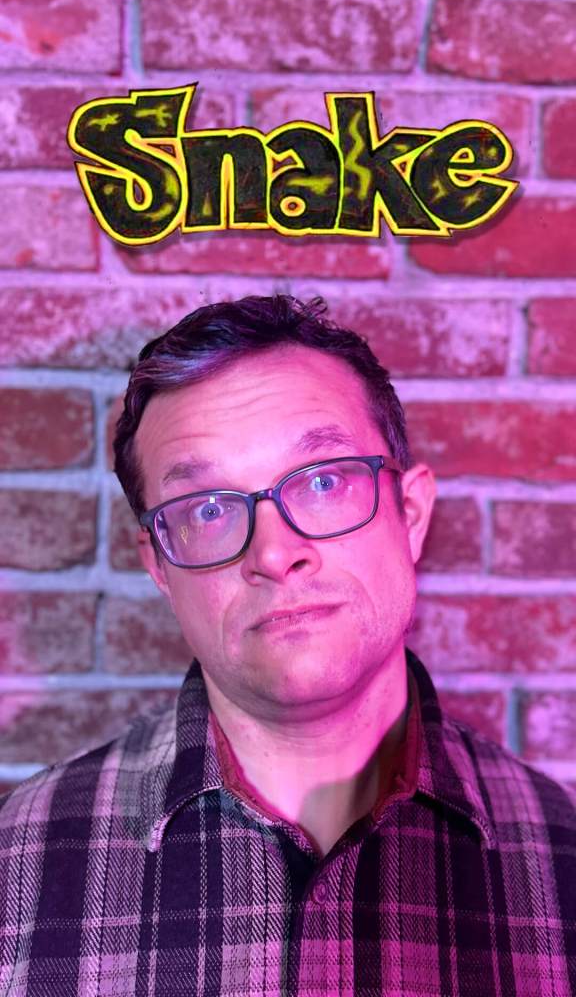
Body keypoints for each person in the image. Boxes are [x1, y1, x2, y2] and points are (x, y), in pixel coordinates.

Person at [0, 294, 574, 997]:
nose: (274, 554)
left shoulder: (559, 859)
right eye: (209, 508)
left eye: (324, 481)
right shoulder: (21, 861)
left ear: (411, 515)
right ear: (159, 568)